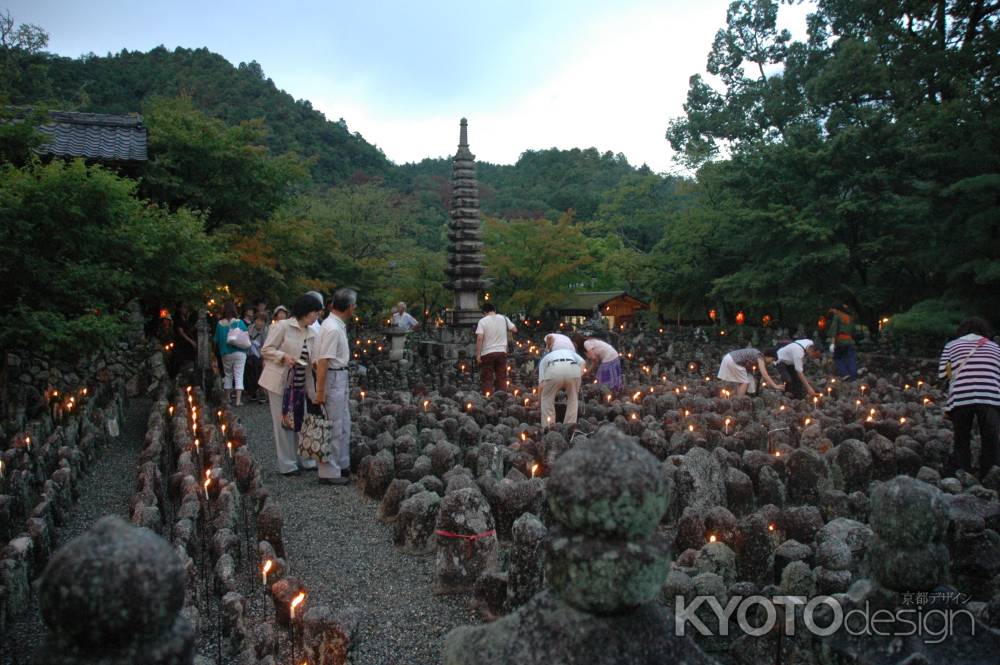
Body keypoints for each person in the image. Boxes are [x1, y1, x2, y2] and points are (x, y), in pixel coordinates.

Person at [259, 293, 324, 476]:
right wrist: (283, 356)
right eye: (315, 314)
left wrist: (314, 390)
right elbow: (266, 349)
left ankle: (306, 458)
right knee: (284, 422)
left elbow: (312, 362)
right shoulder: (283, 326)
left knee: (302, 419)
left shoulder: (312, 333)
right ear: (306, 312)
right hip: (280, 381)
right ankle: (287, 464)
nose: (316, 318)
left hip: (300, 382)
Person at [938, 317, 1000, 476]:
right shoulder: (995, 348)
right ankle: (989, 473)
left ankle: (963, 472)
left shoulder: (951, 346)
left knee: (962, 438)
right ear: (984, 331)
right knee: (990, 438)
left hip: (961, 396)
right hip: (990, 396)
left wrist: (956, 373)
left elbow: (944, 374)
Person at [313, 288, 358, 486]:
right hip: (333, 377)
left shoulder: (334, 324)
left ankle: (341, 462)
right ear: (349, 307)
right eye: (354, 305)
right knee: (333, 424)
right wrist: (320, 392)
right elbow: (323, 361)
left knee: (343, 422)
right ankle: (329, 470)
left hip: (339, 376)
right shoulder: (332, 328)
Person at [475, 302, 517, 395]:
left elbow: (479, 338)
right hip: (501, 351)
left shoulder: (483, 321)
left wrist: (478, 354)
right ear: (494, 310)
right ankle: (501, 396)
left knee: (487, 377)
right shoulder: (504, 318)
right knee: (501, 376)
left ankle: (488, 396)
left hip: (487, 352)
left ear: (484, 312)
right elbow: (514, 329)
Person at [539, 346, 585, 428]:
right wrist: (579, 375)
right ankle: (569, 427)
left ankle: (549, 428)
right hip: (573, 369)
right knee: (573, 399)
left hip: (554, 369)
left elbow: (541, 386)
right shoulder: (571, 353)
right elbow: (583, 362)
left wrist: (540, 402)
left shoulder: (546, 357)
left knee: (547, 399)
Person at [214, 301, 249, 406]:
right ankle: (238, 401)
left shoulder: (220, 324)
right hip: (240, 352)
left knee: (228, 374)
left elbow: (216, 340)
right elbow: (246, 336)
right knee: (239, 375)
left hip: (225, 353)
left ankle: (228, 398)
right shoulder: (240, 322)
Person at [718, 347, 784, 396]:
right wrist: (775, 386)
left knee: (739, 382)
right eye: (772, 359)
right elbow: (764, 374)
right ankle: (739, 401)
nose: (771, 362)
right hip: (734, 360)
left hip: (728, 358)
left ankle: (732, 398)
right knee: (744, 382)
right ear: (767, 356)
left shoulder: (757, 355)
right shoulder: (760, 356)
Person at [828, 304, 858, 380]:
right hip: (849, 341)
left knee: (837, 358)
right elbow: (853, 331)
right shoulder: (850, 317)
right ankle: (853, 376)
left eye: (834, 309)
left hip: (840, 341)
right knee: (851, 358)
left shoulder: (837, 317)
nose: (833, 311)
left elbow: (834, 330)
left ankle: (844, 374)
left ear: (837, 309)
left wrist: (832, 343)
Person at [245, 312, 269, 403]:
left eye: (262, 320)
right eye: (258, 320)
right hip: (250, 354)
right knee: (251, 373)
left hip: (262, 355)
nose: (260, 322)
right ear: (255, 320)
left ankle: (262, 393)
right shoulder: (250, 328)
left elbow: (267, 344)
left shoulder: (266, 330)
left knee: (261, 374)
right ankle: (253, 392)